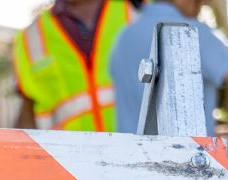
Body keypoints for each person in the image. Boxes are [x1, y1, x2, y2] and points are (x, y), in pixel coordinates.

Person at [108, 0, 228, 134]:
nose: (204, 3)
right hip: (183, 165)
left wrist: (211, 133)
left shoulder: (122, 39)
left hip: (130, 165)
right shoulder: (191, 32)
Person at [14, 0, 141, 131]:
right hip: (68, 150)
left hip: (142, 147)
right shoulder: (30, 38)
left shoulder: (138, 10)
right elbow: (27, 113)